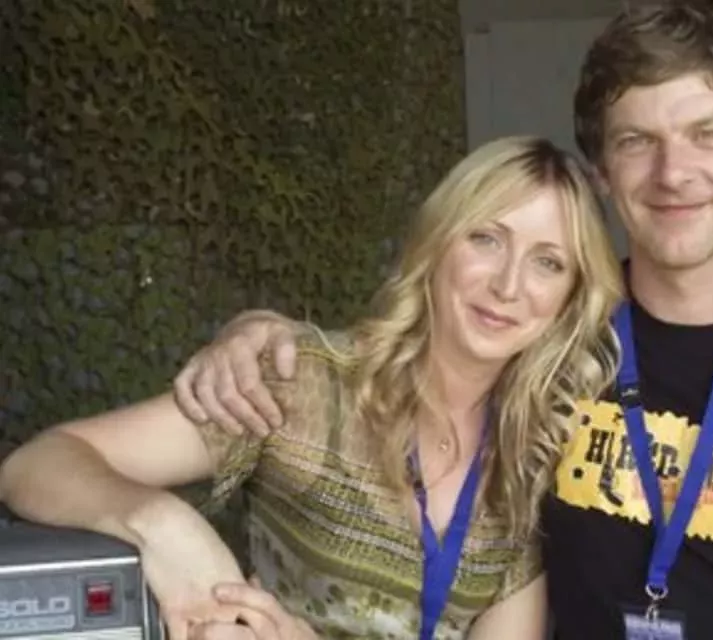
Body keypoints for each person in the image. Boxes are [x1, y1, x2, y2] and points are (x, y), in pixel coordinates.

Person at [171, 4, 713, 639]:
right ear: (602, 173)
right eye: (637, 141)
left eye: (707, 134)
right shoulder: (542, 333)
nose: (673, 172)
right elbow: (388, 365)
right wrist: (258, 331)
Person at [0, 135, 625, 640]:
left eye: (548, 262)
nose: (508, 285)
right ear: (437, 244)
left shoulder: (531, 458)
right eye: (486, 238)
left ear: (570, 297)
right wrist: (162, 526)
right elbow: (38, 464)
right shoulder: (308, 387)